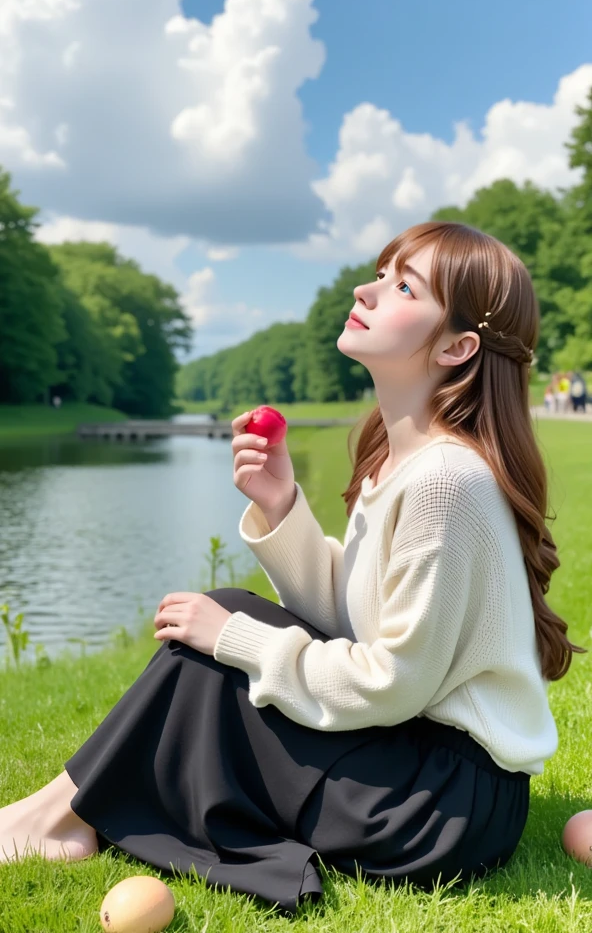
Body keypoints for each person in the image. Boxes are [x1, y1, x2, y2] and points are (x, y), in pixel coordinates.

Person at [0, 222, 585, 915]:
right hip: (421, 767)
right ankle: (58, 810)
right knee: (225, 617)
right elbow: (353, 621)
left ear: (458, 347)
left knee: (216, 646)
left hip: (440, 809)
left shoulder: (445, 481)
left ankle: (57, 820)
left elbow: (392, 680)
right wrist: (282, 507)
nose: (365, 288)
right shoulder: (402, 460)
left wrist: (236, 640)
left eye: (403, 285)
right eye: (380, 271)